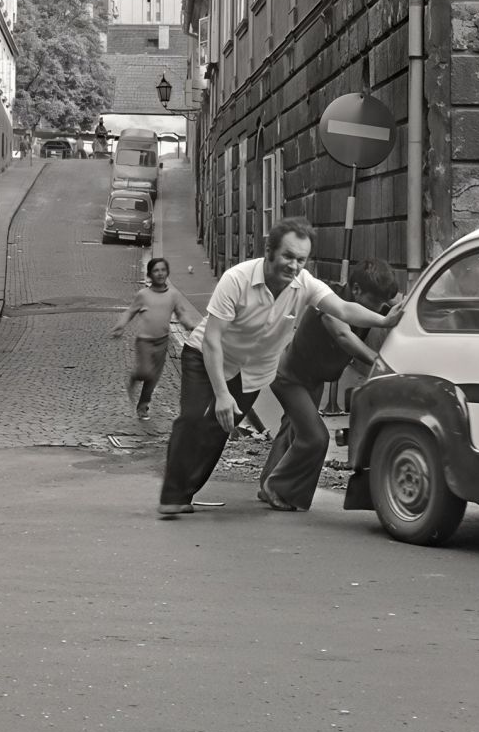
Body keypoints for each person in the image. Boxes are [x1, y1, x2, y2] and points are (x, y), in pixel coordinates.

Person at [157, 216, 402, 518]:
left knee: (218, 431)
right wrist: (221, 394)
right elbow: (212, 340)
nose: (294, 266)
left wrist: (384, 320)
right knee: (194, 418)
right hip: (206, 355)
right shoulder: (237, 279)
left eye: (301, 259)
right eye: (288, 256)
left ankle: (186, 491)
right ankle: (172, 494)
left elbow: (343, 309)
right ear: (269, 251)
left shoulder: (305, 285)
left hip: (254, 371)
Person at [258, 258, 400, 512]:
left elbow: (397, 303)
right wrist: (380, 362)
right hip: (289, 377)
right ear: (356, 290)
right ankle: (278, 488)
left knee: (292, 429)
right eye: (376, 303)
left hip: (313, 379)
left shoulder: (367, 302)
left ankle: (265, 484)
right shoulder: (328, 300)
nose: (380, 309)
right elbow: (343, 335)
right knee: (315, 437)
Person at [111, 257, 201, 420]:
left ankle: (143, 406)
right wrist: (120, 326)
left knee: (153, 378)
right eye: (156, 270)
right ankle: (134, 377)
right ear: (150, 274)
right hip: (144, 341)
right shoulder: (143, 295)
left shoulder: (173, 295)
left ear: (167, 272)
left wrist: (192, 326)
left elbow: (181, 314)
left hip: (162, 341)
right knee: (146, 372)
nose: (160, 274)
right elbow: (130, 311)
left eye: (163, 270)